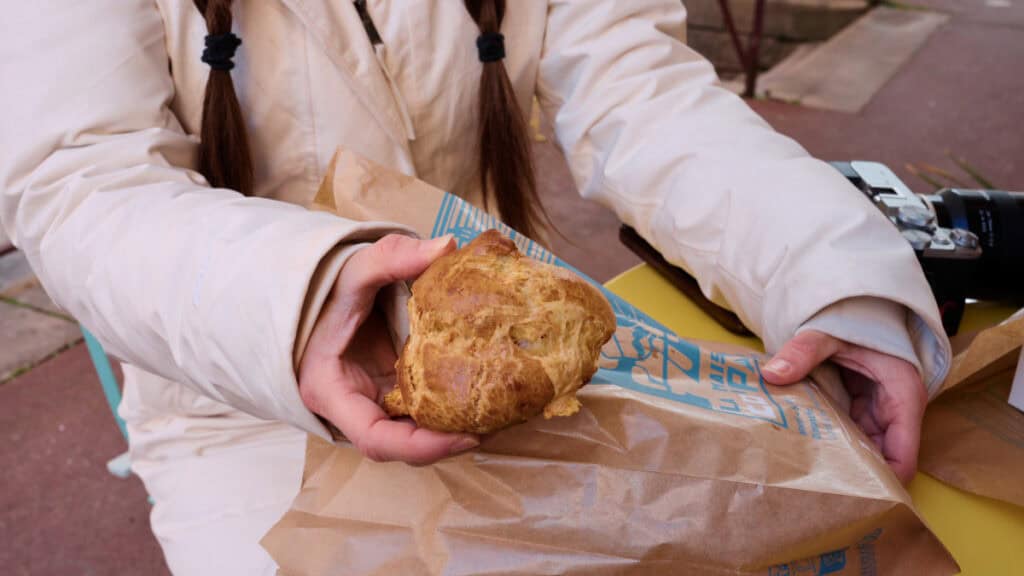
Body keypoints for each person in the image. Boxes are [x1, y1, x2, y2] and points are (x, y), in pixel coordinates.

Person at [0, 1, 950, 574]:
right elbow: (80, 180)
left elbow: (640, 89)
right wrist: (306, 293)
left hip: (519, 367)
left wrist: (829, 278)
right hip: (242, 388)